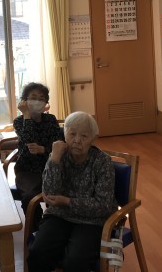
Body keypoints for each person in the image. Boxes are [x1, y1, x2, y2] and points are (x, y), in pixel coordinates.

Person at [27, 111, 116, 272]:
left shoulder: (103, 162)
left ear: (93, 139)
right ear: (64, 133)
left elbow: (103, 205)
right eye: (72, 134)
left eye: (84, 136)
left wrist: (67, 201)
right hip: (59, 215)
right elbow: (49, 194)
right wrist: (54, 159)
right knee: (38, 253)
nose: (77, 140)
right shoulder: (58, 155)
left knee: (74, 262)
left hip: (92, 221)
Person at [12, 83, 61, 227]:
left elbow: (58, 144)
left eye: (41, 98)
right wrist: (27, 115)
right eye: (33, 97)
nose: (37, 101)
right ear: (24, 100)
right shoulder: (19, 121)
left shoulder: (51, 119)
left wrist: (43, 150)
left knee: (58, 194)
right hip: (27, 170)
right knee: (28, 197)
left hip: (50, 166)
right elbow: (28, 140)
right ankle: (36, 229)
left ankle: (53, 225)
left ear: (46, 103)